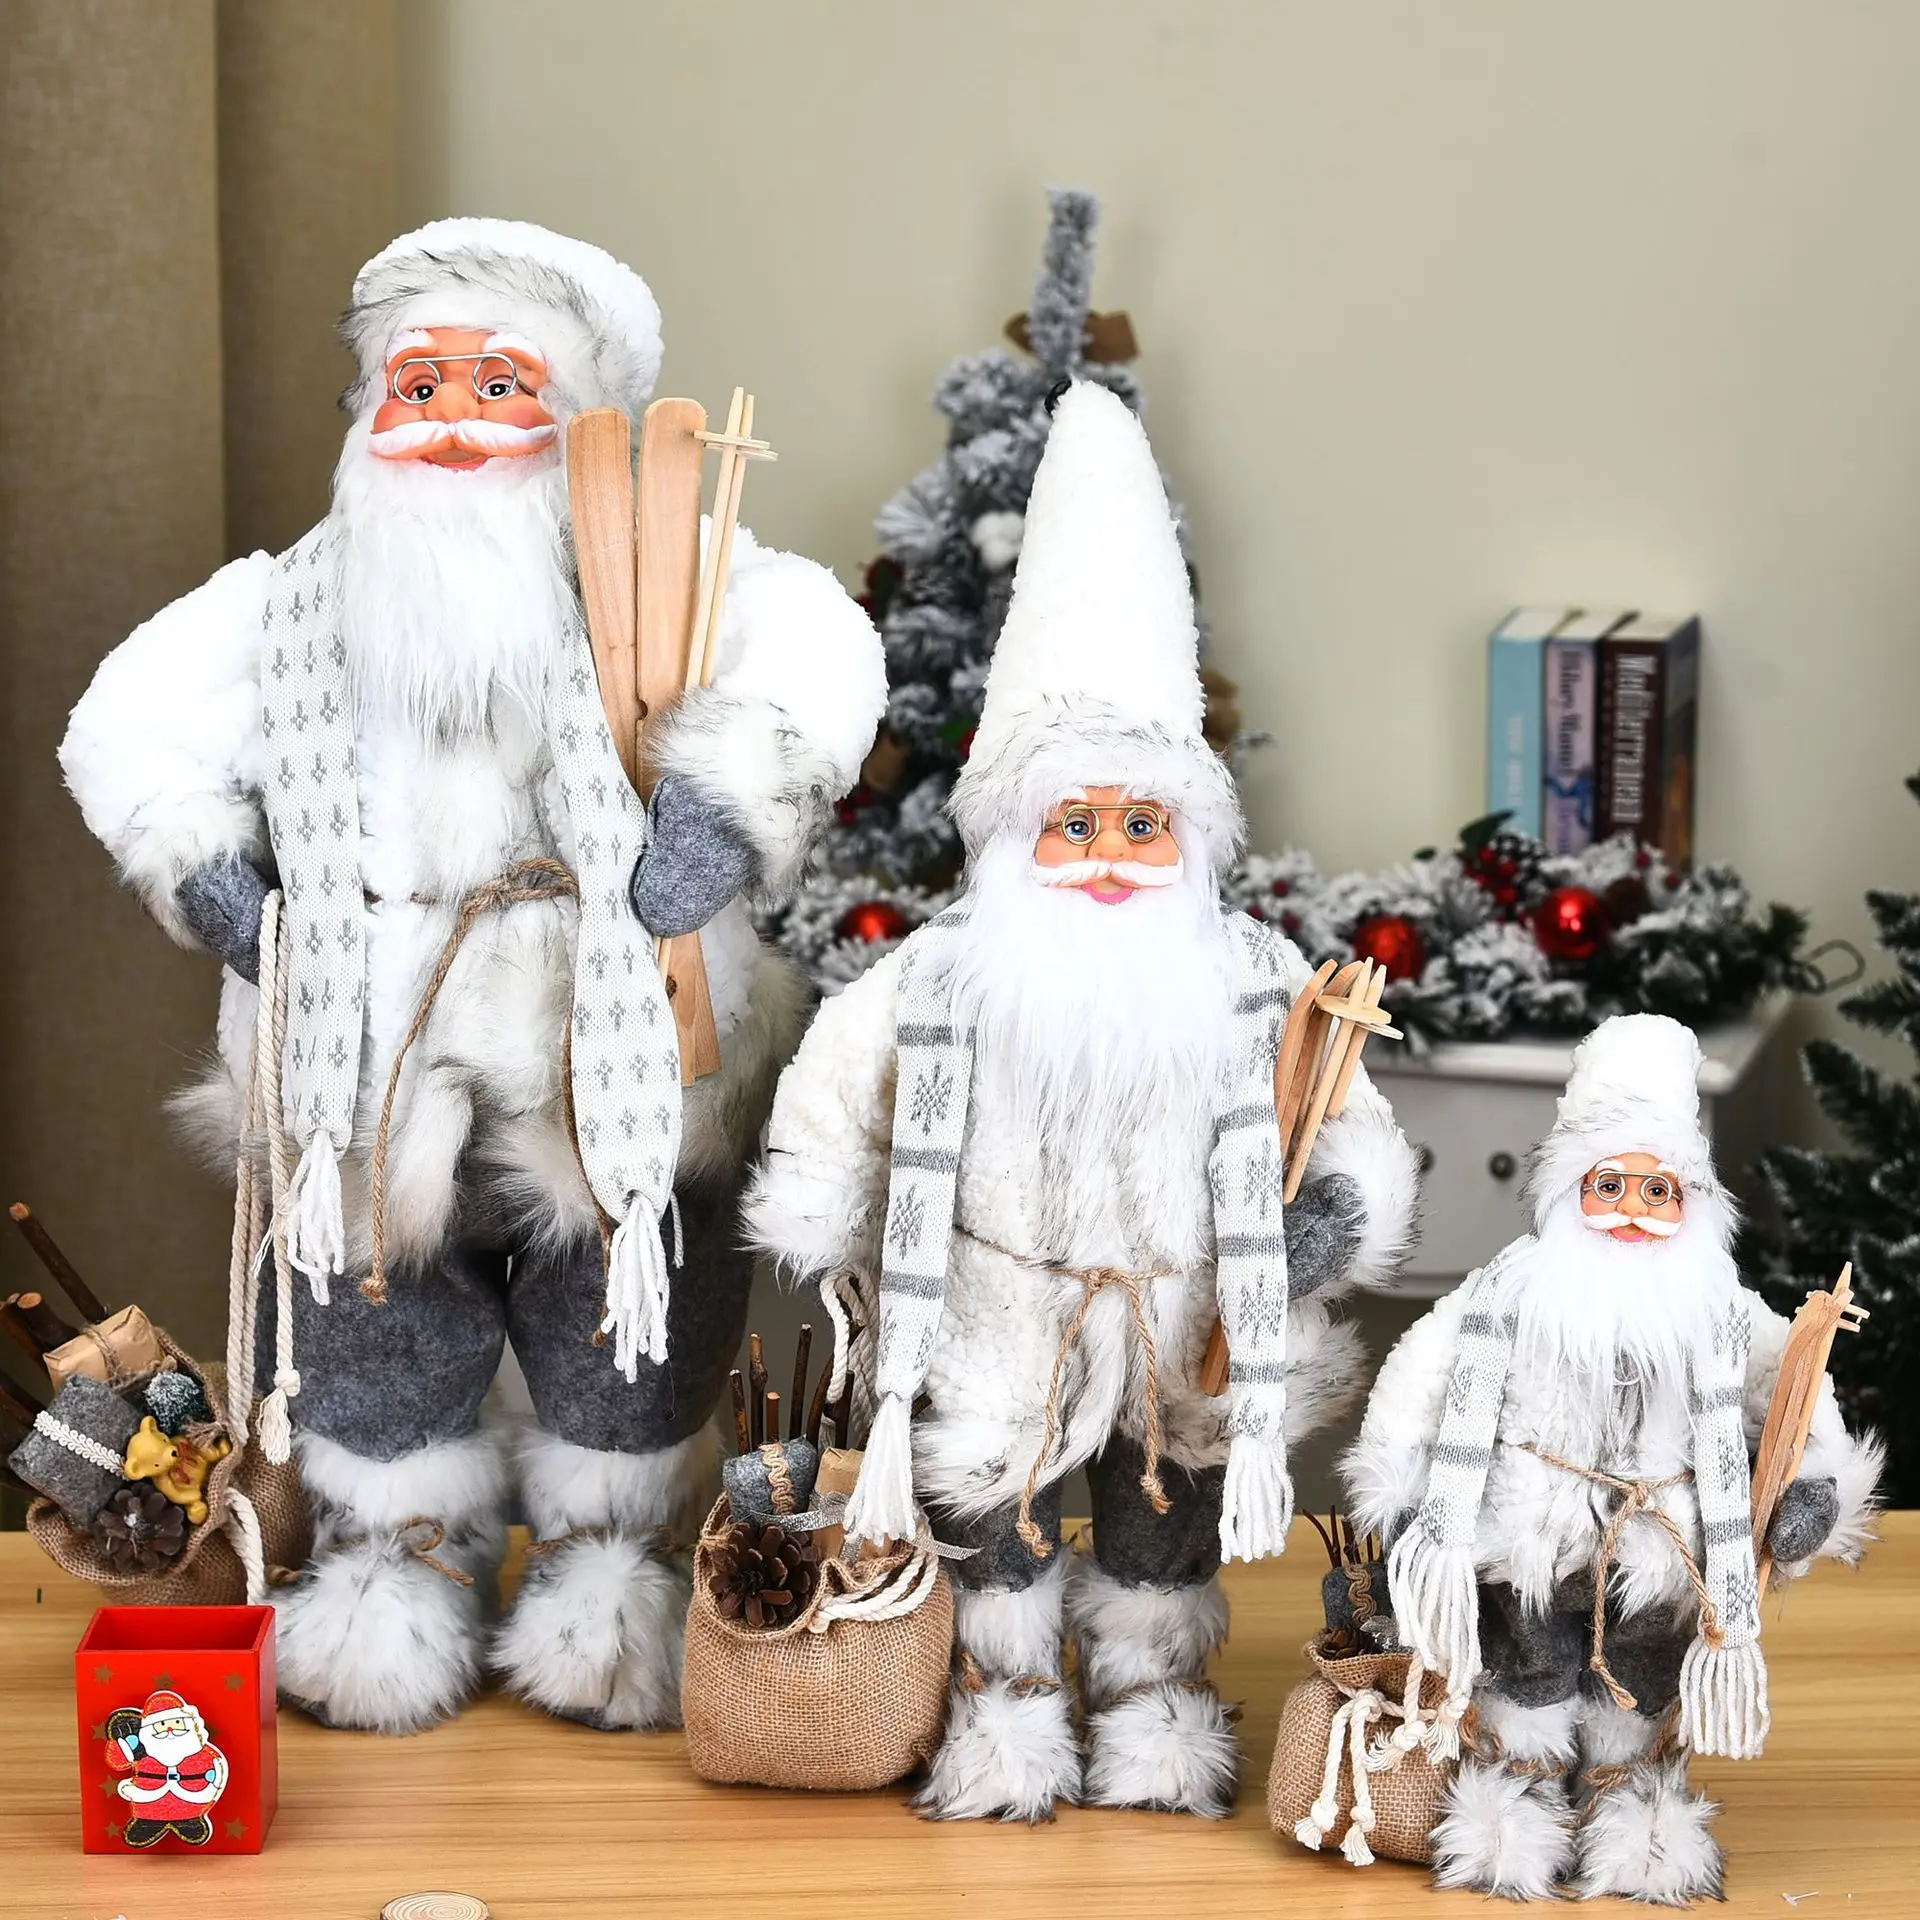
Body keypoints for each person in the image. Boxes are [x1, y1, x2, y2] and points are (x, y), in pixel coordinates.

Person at [60, 219, 886, 1734]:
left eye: (498, 383)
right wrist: (214, 878)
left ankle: (612, 1566)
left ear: (576, 416)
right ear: (368, 408)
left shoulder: (669, 578)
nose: (448, 412)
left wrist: (721, 811)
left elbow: (816, 653)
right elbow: (126, 726)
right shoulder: (287, 601)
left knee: (628, 1324)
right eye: (416, 379)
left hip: (612, 1034)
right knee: (371, 1320)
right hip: (365, 1049)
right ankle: (397, 1562)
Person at [746, 381, 1419, 1820]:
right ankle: (1006, 1702)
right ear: (1014, 832)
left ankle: (1154, 1703)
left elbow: (1349, 1115)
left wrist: (1336, 1211)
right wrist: (830, 1207)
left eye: (1141, 824)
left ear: (1190, 836)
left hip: (1185, 1319)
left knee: (1160, 1519)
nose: (1109, 855)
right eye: (1075, 822)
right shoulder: (938, 977)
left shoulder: (1254, 975)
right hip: (999, 1316)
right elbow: (834, 1094)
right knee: (993, 1519)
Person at [1344, 1013, 1881, 1902]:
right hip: (1531, 1531)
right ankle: (1514, 1796)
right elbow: (1419, 1375)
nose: (1633, 1208)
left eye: (1658, 1190)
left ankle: (1629, 1800)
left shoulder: (1720, 1308)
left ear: (1692, 1201)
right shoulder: (1507, 1291)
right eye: (1610, 1184)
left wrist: (1813, 1486)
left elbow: (1789, 1384)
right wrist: (1402, 1486)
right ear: (1570, 1188)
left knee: (1640, 1674)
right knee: (1527, 1661)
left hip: (1661, 1546)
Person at [106, 1689, 228, 1847]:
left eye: (177, 1723)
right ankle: (146, 1824)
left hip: (190, 1804)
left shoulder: (200, 1751)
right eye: (162, 1725)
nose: (170, 1730)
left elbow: (215, 1766)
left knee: (192, 1825)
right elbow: (116, 1761)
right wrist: (121, 1737)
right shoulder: (142, 1751)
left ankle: (190, 1822)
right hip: (149, 1805)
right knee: (146, 1823)